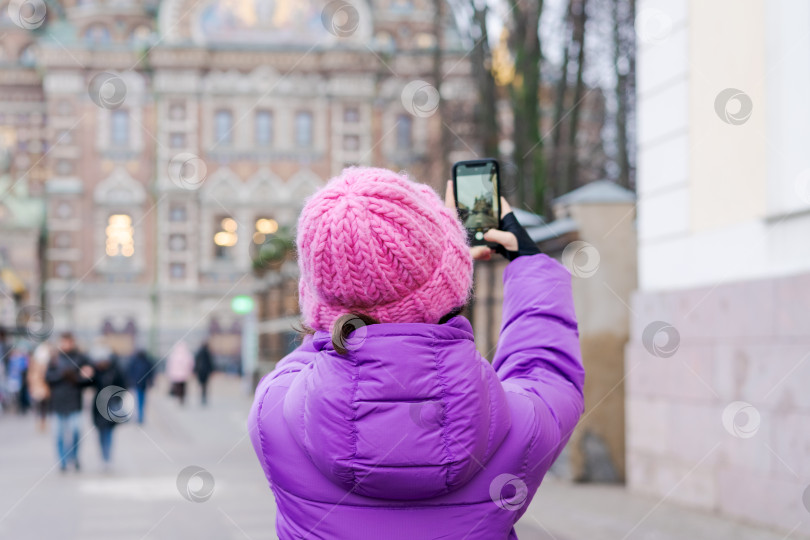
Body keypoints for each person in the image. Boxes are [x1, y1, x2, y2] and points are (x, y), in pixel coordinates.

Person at [247, 168, 585, 539]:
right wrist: (528, 261)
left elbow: (311, 354)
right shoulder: (519, 427)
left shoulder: (272, 414)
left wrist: (336, 308)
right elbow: (546, 369)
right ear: (454, 284)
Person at [46, 332, 93, 472]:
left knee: (76, 432)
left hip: (74, 403)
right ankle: (62, 461)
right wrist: (62, 374)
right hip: (57, 403)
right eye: (63, 342)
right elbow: (48, 378)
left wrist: (76, 377)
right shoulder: (54, 359)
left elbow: (88, 379)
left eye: (68, 342)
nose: (65, 345)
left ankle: (74, 456)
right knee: (58, 434)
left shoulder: (81, 358)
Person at [88, 342, 127, 470]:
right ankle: (104, 457)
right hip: (98, 407)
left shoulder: (116, 370)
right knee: (100, 434)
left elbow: (123, 386)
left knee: (109, 433)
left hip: (111, 405)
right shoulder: (95, 371)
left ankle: (107, 457)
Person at [28, 342, 54, 431]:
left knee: (43, 406)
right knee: (37, 406)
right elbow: (31, 377)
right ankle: (39, 422)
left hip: (44, 387)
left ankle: (43, 422)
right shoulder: (34, 364)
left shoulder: (47, 365)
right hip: (37, 387)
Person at [126, 349, 154, 424]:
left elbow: (150, 373)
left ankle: (140, 416)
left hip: (140, 384)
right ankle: (139, 416)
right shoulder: (140, 362)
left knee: (140, 400)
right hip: (139, 384)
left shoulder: (138, 362)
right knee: (139, 400)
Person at [166, 340, 193, 406]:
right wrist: (189, 371)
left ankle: (178, 398)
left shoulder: (173, 354)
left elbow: (170, 365)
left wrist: (169, 374)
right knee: (183, 387)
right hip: (184, 374)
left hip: (176, 375)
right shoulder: (187, 354)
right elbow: (190, 364)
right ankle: (182, 398)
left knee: (177, 387)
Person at [193, 341, 214, 406]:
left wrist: (195, 370)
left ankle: (201, 396)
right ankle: (203, 396)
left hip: (200, 371)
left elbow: (196, 362)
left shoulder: (198, 352)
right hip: (205, 371)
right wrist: (211, 370)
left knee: (200, 384)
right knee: (205, 385)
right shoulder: (207, 352)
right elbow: (210, 362)